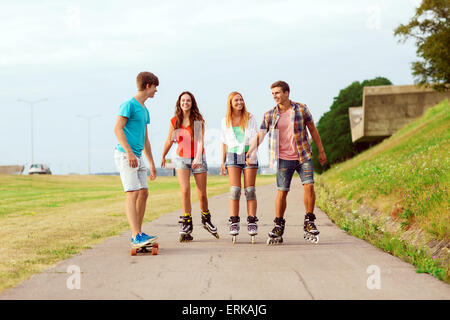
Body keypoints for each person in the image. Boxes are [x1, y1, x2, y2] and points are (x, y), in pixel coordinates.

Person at [246, 81, 327, 244]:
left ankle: (309, 221)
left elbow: (313, 129)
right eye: (273, 94)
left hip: (303, 155)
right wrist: (251, 149)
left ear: (287, 93)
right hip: (283, 158)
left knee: (309, 186)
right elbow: (261, 134)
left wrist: (321, 150)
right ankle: (278, 224)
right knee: (282, 191)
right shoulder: (270, 114)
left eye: (277, 93)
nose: (275, 96)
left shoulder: (301, 109)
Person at [161, 91, 219, 242]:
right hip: (181, 158)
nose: (185, 103)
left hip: (198, 157)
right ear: (179, 103)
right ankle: (187, 222)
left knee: (202, 193)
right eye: (183, 101)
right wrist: (163, 155)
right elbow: (169, 140)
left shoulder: (197, 119)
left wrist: (198, 156)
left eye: (188, 100)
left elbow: (199, 140)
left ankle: (206, 218)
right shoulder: (175, 121)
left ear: (192, 103)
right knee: (185, 191)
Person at [113, 71, 159, 249]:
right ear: (148, 85)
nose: (156, 91)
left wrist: (151, 163)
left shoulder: (145, 110)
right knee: (132, 193)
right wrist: (130, 153)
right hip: (126, 155)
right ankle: (135, 236)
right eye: (155, 87)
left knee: (143, 193)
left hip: (138, 156)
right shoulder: (128, 105)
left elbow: (145, 138)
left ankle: (139, 232)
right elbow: (117, 129)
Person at [220, 91, 259, 244]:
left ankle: (251, 221)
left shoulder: (250, 118)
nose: (239, 102)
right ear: (230, 103)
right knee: (235, 190)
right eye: (236, 100)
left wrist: (251, 153)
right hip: (232, 155)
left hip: (250, 153)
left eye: (241, 99)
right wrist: (222, 161)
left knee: (250, 190)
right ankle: (234, 221)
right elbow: (224, 141)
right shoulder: (225, 121)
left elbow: (256, 137)